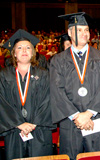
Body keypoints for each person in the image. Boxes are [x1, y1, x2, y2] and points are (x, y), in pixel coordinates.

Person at [50, 12, 100, 160]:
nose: (84, 33)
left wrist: (89, 113)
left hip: (95, 120)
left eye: (86, 30)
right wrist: (77, 116)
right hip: (71, 121)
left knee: (97, 157)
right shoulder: (58, 60)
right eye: (79, 30)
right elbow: (56, 90)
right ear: (69, 33)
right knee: (71, 157)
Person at [0, 29, 54, 160]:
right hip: (14, 130)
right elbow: (2, 103)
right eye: (20, 47)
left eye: (28, 47)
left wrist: (34, 123)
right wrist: (19, 123)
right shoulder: (4, 75)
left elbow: (49, 100)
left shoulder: (44, 74)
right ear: (14, 53)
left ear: (33, 53)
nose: (24, 51)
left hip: (39, 129)